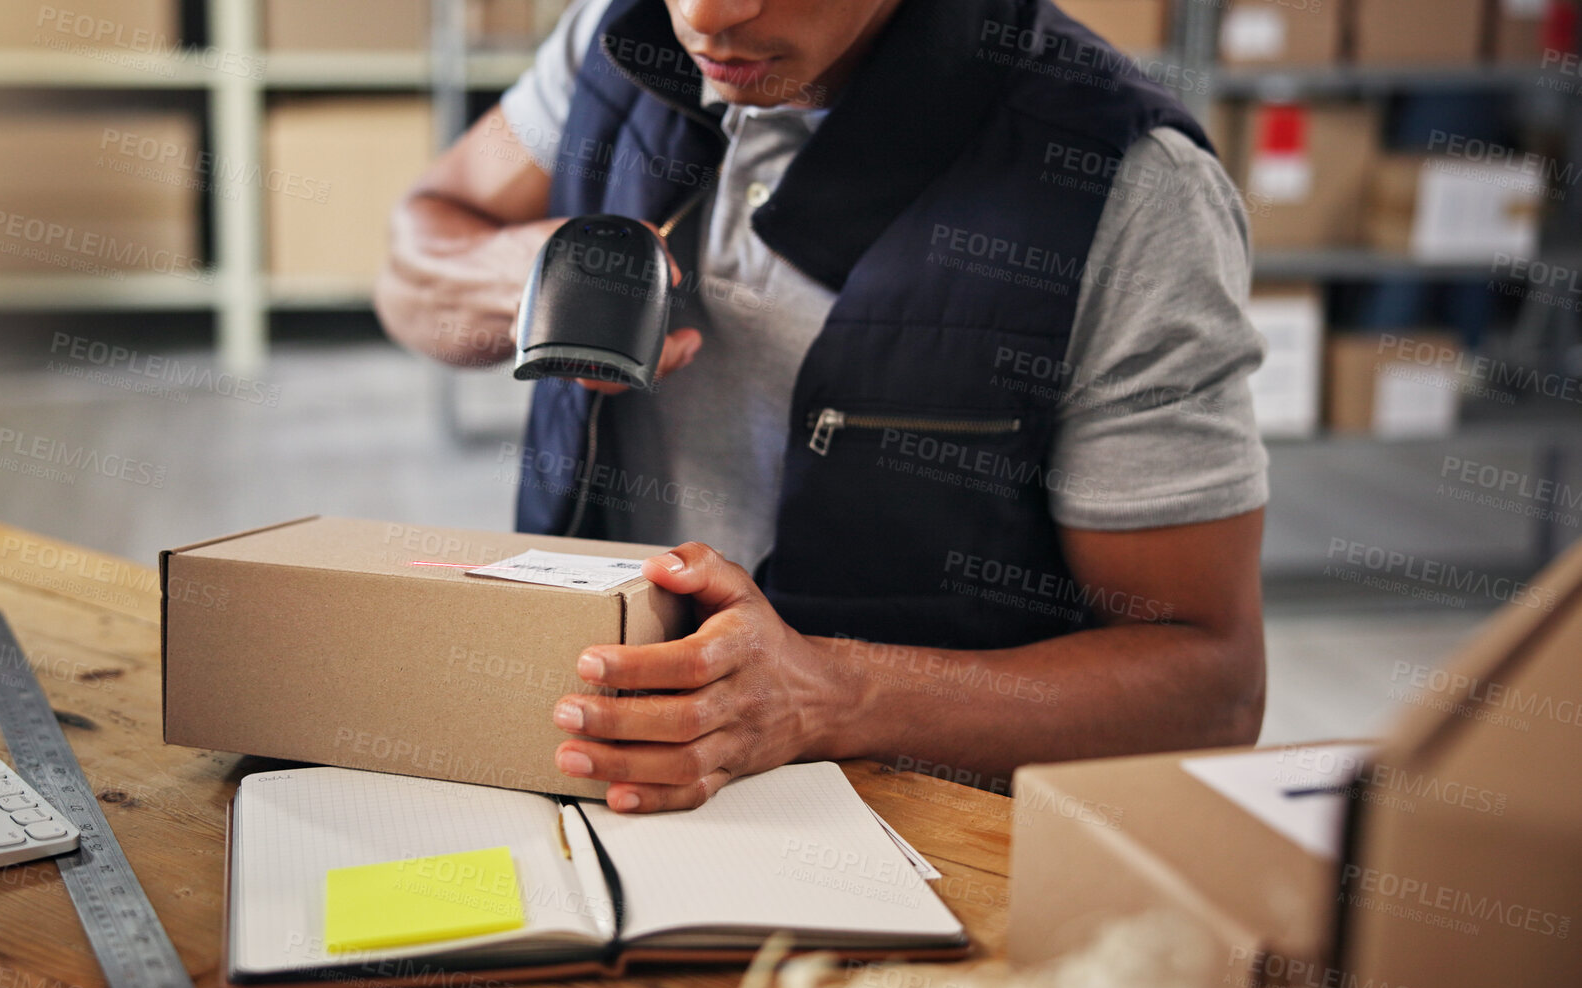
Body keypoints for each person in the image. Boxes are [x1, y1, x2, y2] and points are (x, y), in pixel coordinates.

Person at [375, 0, 1270, 812]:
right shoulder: (605, 45)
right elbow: (414, 259)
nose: (707, 14)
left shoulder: (1132, 186)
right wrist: (529, 279)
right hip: (595, 778)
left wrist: (830, 694)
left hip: (922, 855)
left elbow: (1209, 688)